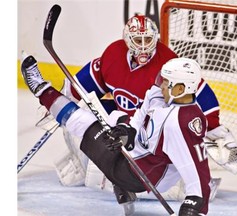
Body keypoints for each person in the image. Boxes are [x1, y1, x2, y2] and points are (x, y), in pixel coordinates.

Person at [21, 55, 212, 215]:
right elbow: (140, 116)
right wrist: (128, 131)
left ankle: (40, 88)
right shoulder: (158, 95)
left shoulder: (182, 121)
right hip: (138, 154)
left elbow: (197, 165)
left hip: (139, 174)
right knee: (116, 118)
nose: (161, 85)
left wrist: (197, 202)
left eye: (167, 82)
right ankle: (123, 189)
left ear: (180, 89)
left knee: (84, 122)